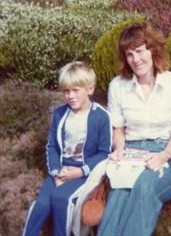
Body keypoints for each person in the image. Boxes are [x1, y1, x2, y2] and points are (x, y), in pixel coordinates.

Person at [97, 22, 171, 236]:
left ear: (153, 50)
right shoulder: (117, 86)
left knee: (145, 187)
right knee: (120, 190)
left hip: (165, 153)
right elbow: (119, 129)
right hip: (131, 152)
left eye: (140, 51)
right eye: (129, 54)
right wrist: (119, 150)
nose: (135, 59)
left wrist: (163, 156)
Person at [22, 61, 111, 236]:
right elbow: (52, 146)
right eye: (66, 91)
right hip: (61, 170)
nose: (70, 96)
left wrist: (80, 171)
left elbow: (104, 153)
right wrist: (56, 172)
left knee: (61, 198)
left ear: (90, 89)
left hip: (84, 173)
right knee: (41, 205)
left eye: (76, 90)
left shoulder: (101, 117)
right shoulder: (59, 114)